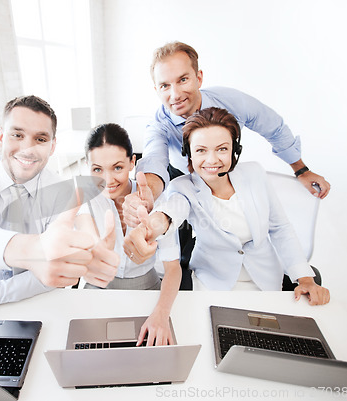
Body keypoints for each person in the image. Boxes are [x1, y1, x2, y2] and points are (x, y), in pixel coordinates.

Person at [0, 95, 119, 317]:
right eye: (17, 135)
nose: (28, 149)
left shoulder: (60, 189)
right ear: (1, 136)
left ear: (52, 146)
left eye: (41, 139)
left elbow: (52, 272)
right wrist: (33, 250)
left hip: (35, 295)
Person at [124, 107, 330, 305]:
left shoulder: (255, 174)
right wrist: (149, 226)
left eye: (222, 149)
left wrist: (305, 279)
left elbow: (280, 228)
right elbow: (171, 212)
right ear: (190, 154)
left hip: (265, 283)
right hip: (213, 285)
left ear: (234, 151)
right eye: (201, 150)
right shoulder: (182, 187)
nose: (212, 160)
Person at [123, 41, 330, 228]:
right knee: (182, 248)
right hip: (182, 178)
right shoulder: (158, 125)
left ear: (199, 77)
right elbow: (153, 162)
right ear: (156, 89)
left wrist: (301, 169)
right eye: (165, 86)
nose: (175, 95)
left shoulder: (232, 101)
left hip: (226, 175)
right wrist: (146, 194)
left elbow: (273, 127)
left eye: (183, 80)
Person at [79, 123, 181, 345]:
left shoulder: (154, 199)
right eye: (97, 169)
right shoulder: (85, 200)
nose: (108, 180)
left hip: (147, 288)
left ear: (132, 162)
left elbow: (173, 268)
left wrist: (161, 315)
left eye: (117, 168)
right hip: (98, 288)